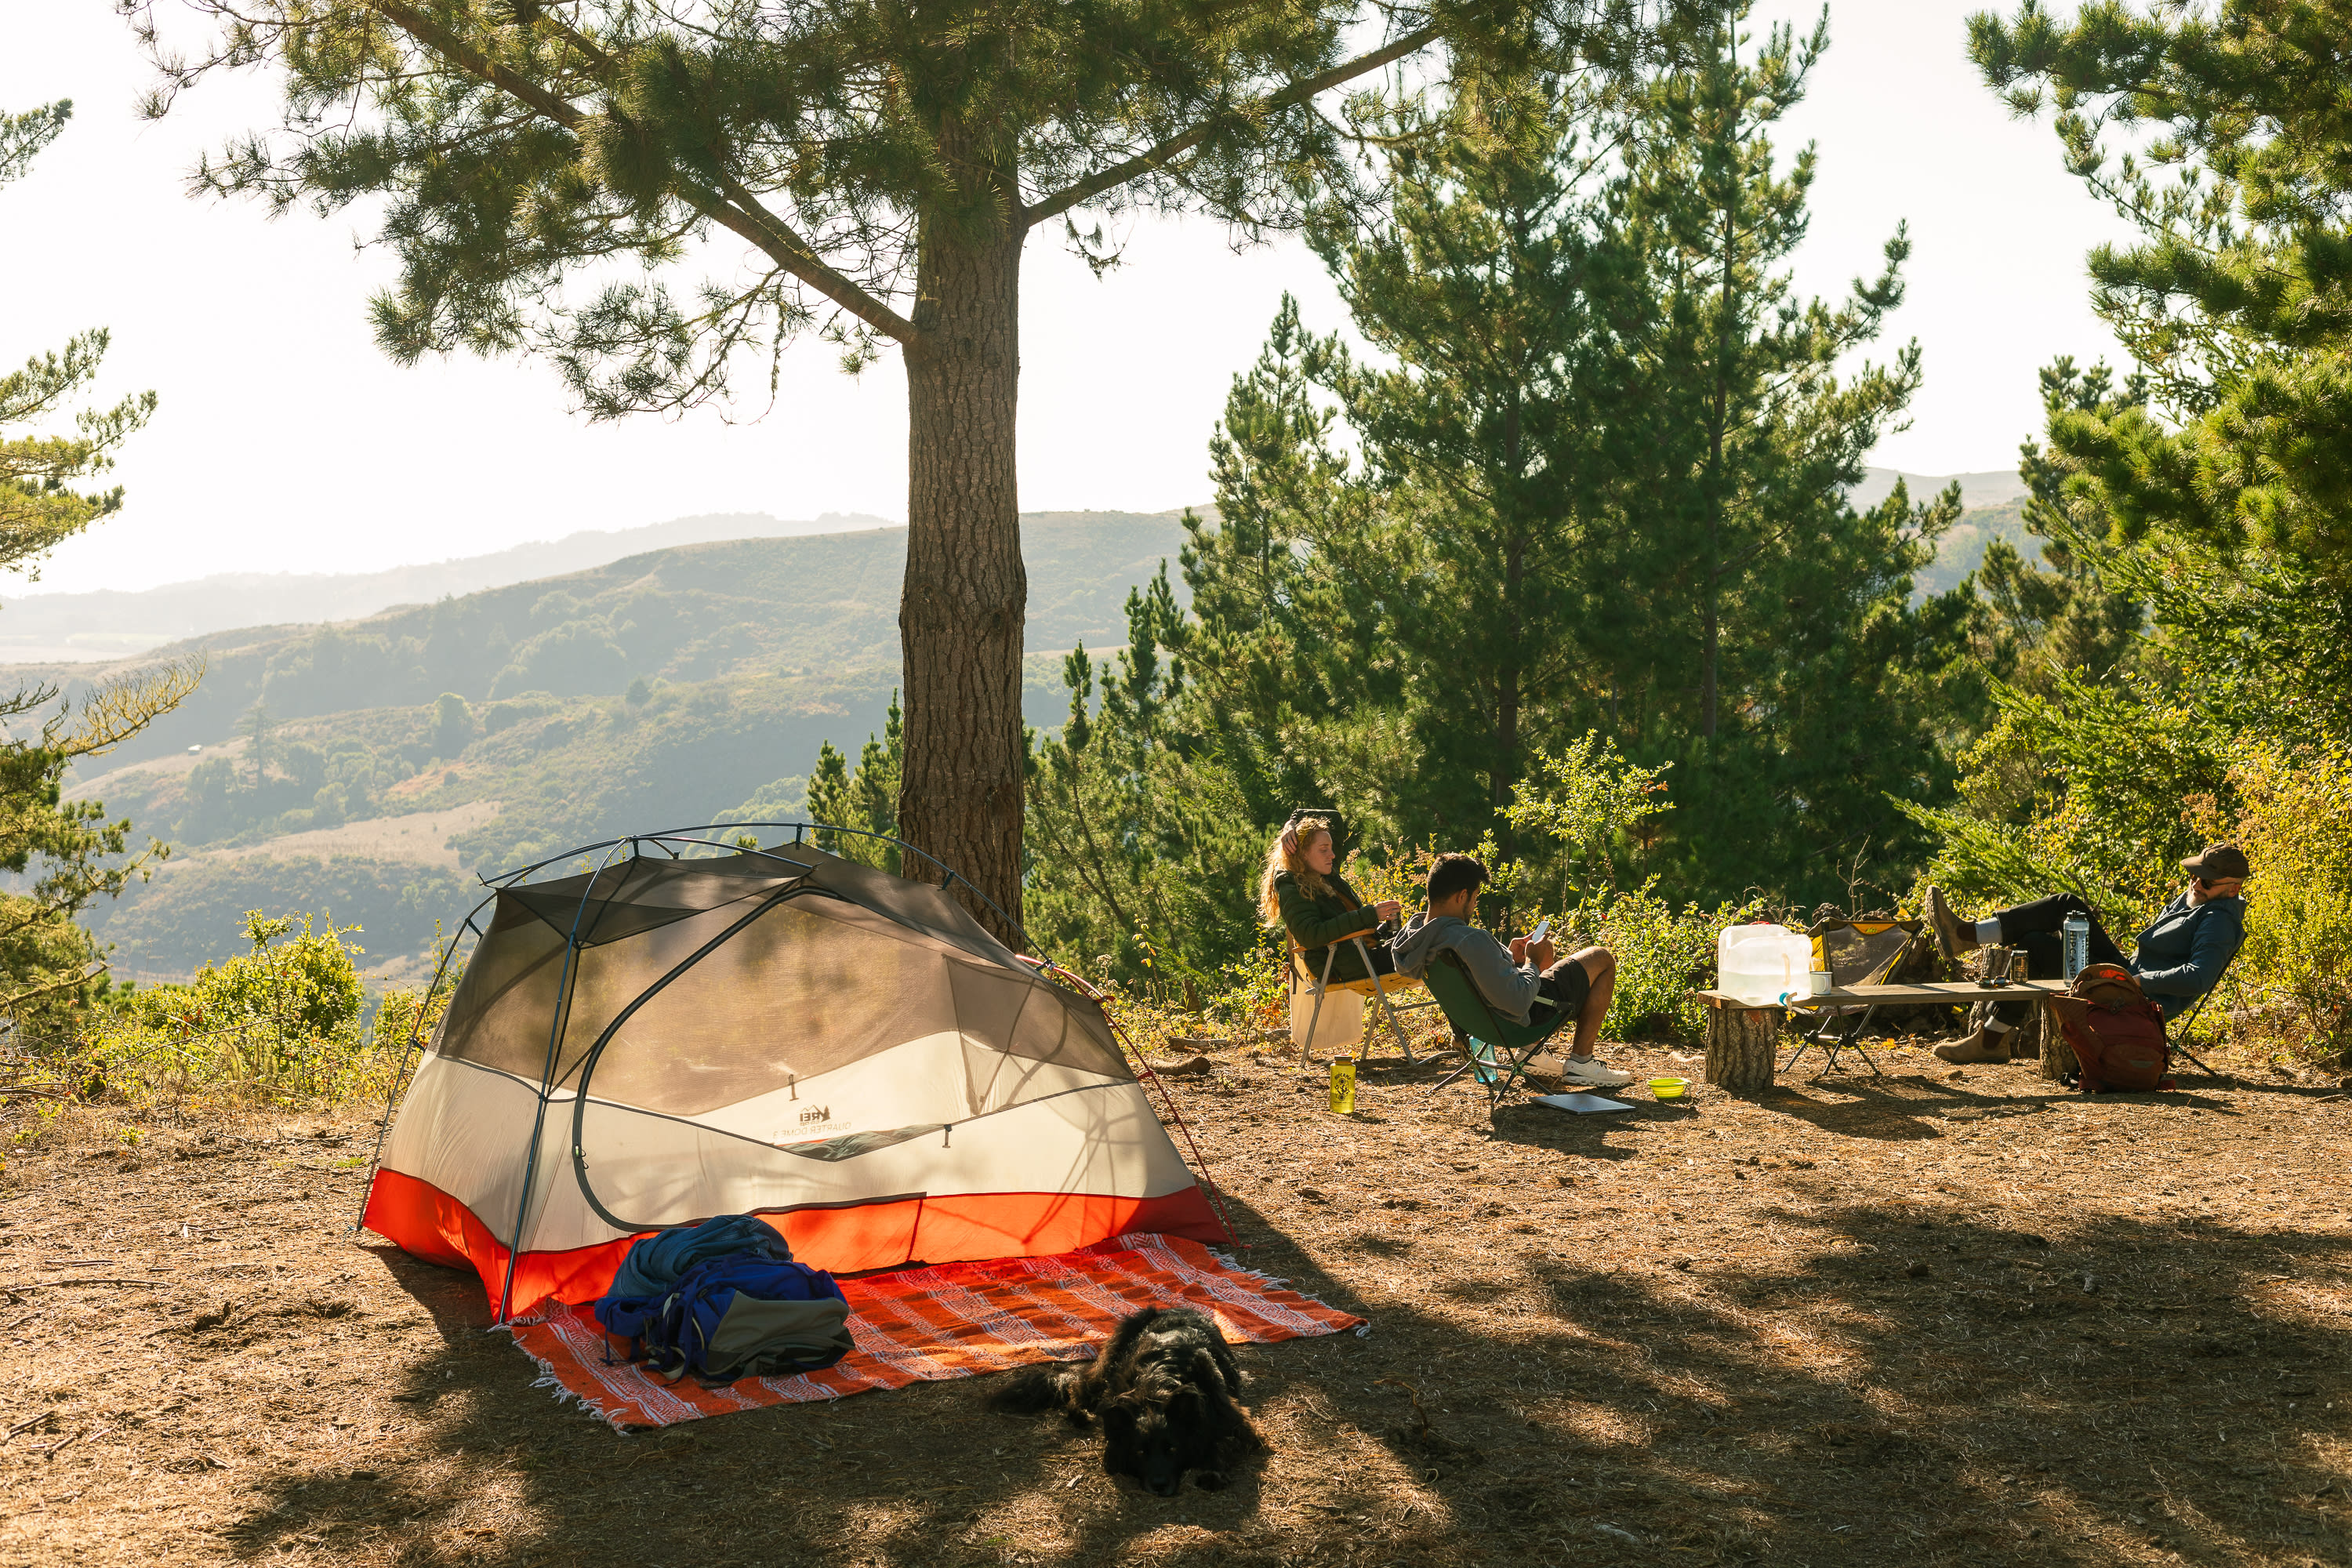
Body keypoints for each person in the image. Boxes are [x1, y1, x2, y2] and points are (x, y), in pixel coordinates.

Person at [1922, 842, 2249, 1064]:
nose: (2195, 883)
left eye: (2207, 882)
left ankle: (1968, 935)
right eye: (2194, 874)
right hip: (2128, 977)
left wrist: (2139, 980)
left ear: (2232, 888)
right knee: (2034, 942)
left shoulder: (2219, 920)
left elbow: (2199, 977)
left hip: (2138, 997)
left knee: (2067, 905)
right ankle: (1991, 1041)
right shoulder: (2198, 900)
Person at [1389, 851, 1630, 1088]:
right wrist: (1532, 962)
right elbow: (1518, 1003)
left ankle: (1532, 1054)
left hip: (1481, 1023)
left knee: (1544, 956)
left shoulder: (1418, 938)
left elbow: (1477, 975)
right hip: (1518, 1023)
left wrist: (1506, 955)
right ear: (1462, 896)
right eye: (1475, 898)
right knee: (1601, 958)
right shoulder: (1468, 939)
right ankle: (1581, 1061)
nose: (1474, 905)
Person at [1259, 816, 1402, 986]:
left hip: (1369, 953)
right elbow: (1310, 935)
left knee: (1428, 926)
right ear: (1302, 852)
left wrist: (1291, 823)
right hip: (1356, 965)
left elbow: (1333, 815)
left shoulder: (1327, 878)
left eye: (1331, 848)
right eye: (1323, 849)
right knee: (1432, 939)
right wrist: (1370, 914)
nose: (1332, 855)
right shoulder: (1292, 887)